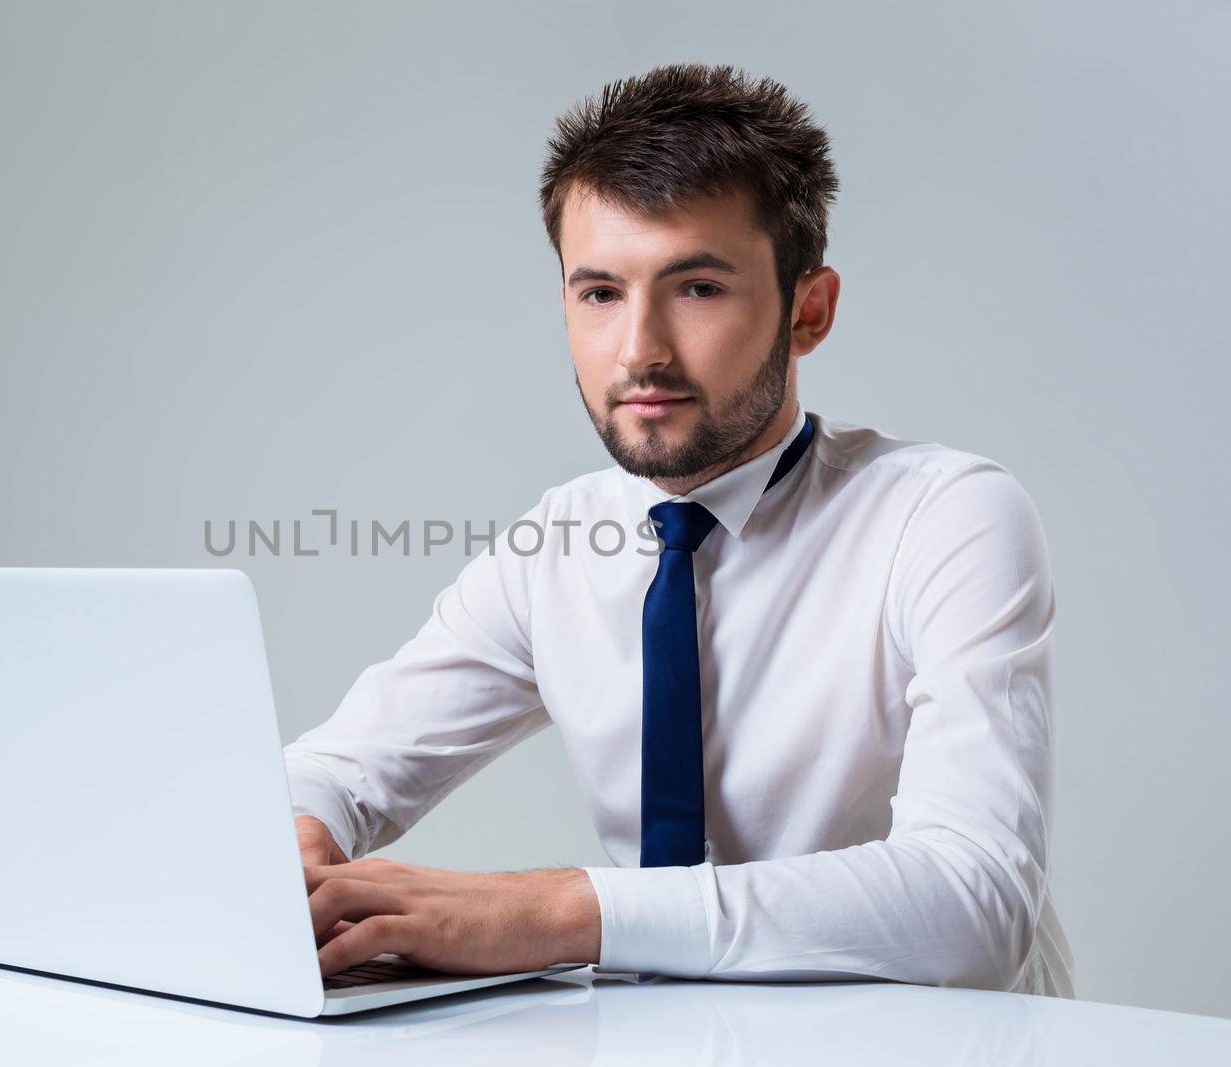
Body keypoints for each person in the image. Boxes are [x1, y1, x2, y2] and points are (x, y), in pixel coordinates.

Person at [286, 62, 1074, 997]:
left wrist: (556, 913)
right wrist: (295, 830)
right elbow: (341, 769)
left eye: (696, 287)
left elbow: (972, 903)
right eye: (600, 293)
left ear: (807, 311)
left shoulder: (945, 516)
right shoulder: (562, 540)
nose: (640, 350)